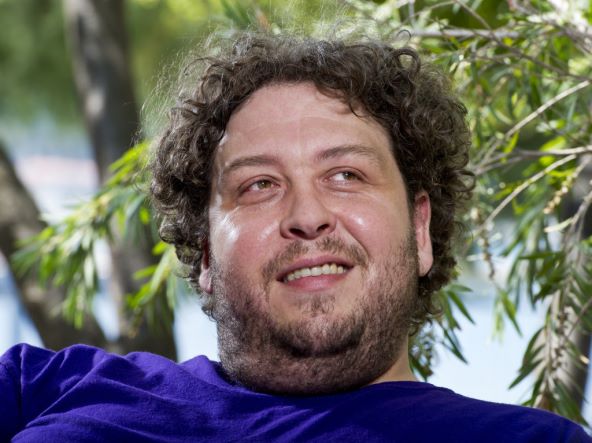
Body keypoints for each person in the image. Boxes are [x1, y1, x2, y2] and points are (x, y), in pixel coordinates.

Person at [0, 33, 589, 442]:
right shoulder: (46, 387)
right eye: (259, 184)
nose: (308, 215)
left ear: (419, 230)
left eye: (346, 175)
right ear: (206, 253)